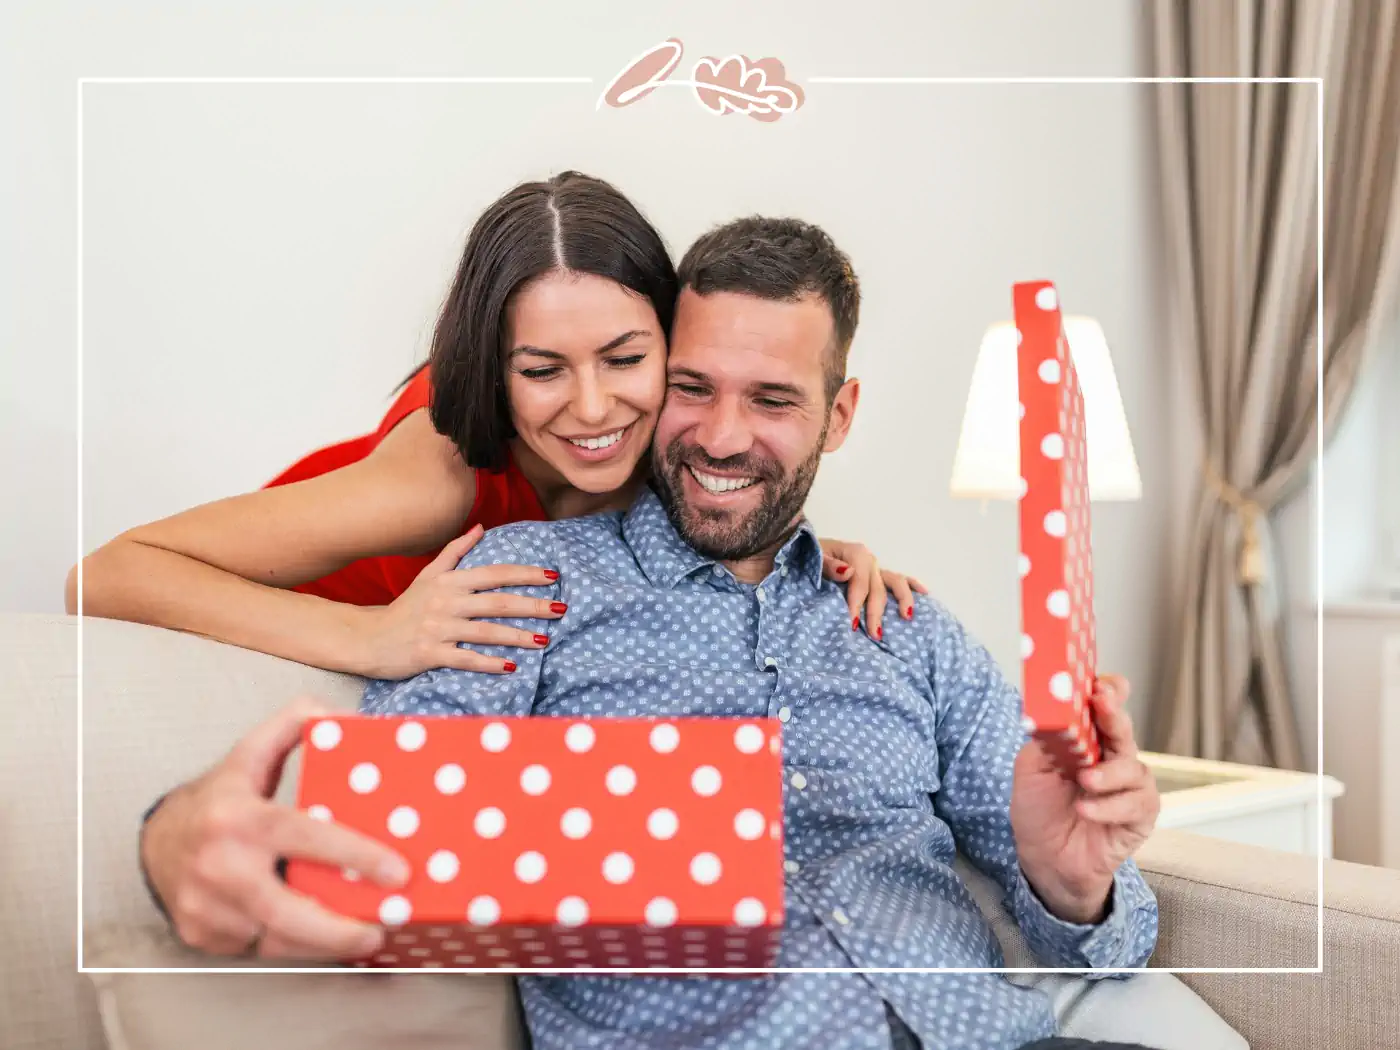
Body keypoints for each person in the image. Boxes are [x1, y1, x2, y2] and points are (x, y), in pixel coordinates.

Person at [138, 215, 1162, 1050]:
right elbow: (368, 834)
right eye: (692, 387)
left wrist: (1072, 885)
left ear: (836, 416)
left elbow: (1108, 943)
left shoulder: (903, 626)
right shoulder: (514, 577)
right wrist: (174, 832)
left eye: (772, 399)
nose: (721, 435)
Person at [68, 171, 918, 682]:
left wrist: (815, 556)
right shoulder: (436, 476)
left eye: (625, 359)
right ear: (494, 366)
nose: (591, 410)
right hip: (289, 644)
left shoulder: (669, 436)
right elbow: (104, 575)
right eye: (542, 370)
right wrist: (373, 633)